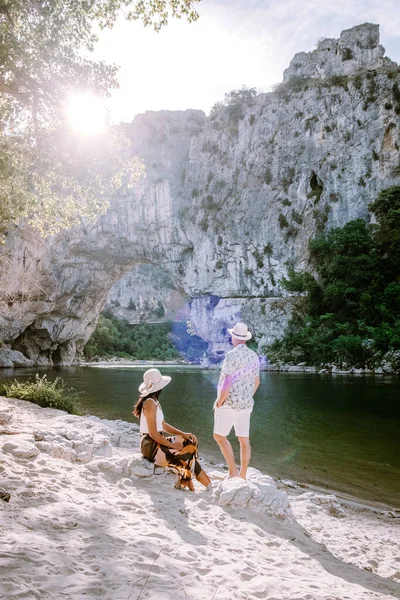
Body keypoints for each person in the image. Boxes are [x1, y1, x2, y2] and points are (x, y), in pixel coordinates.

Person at [133, 368, 211, 491]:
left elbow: (163, 425)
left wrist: (183, 434)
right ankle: (208, 486)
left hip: (156, 442)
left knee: (190, 441)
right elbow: (153, 434)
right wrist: (173, 446)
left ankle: (186, 479)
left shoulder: (154, 401)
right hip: (150, 447)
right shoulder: (149, 403)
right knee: (187, 456)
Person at [213, 322, 260, 480]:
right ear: (245, 339)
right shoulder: (254, 356)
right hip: (246, 405)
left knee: (219, 436)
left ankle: (232, 471)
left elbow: (227, 382)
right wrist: (248, 396)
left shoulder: (231, 355)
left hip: (229, 403)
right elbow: (257, 382)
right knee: (244, 440)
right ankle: (244, 474)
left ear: (234, 337)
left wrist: (220, 401)